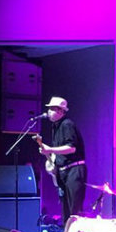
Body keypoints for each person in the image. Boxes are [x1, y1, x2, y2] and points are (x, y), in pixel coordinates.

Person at [36, 96, 86, 224]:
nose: (49, 112)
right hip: (64, 171)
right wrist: (50, 157)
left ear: (61, 111)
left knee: (74, 209)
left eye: (52, 109)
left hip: (74, 170)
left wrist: (50, 149)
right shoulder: (56, 127)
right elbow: (59, 151)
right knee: (65, 209)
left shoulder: (67, 124)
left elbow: (71, 148)